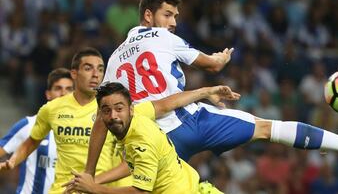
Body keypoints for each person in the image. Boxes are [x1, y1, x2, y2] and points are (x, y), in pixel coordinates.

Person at [85, 0, 338, 177]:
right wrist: (221, 57)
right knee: (267, 128)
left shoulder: (114, 60)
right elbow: (212, 66)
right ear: (148, 16)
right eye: (168, 15)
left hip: (157, 146)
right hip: (189, 121)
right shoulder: (162, 37)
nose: (173, 23)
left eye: (176, 17)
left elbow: (101, 120)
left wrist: (89, 173)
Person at [65, 82, 240, 194]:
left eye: (119, 108)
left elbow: (140, 193)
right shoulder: (137, 115)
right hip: (198, 188)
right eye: (106, 111)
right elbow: (167, 104)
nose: (113, 116)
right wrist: (206, 91)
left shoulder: (140, 143)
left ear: (130, 109)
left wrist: (94, 188)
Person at [0, 47, 119, 194]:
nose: (96, 75)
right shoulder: (52, 109)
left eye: (100, 69)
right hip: (61, 190)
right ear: (74, 74)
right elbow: (32, 140)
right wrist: (13, 161)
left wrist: (94, 181)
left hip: (97, 190)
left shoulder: (112, 109)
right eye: (88, 68)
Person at [0, 68, 74, 194]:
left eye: (69, 89)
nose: (63, 94)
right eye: (58, 88)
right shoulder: (28, 125)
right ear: (48, 94)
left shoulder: (85, 128)